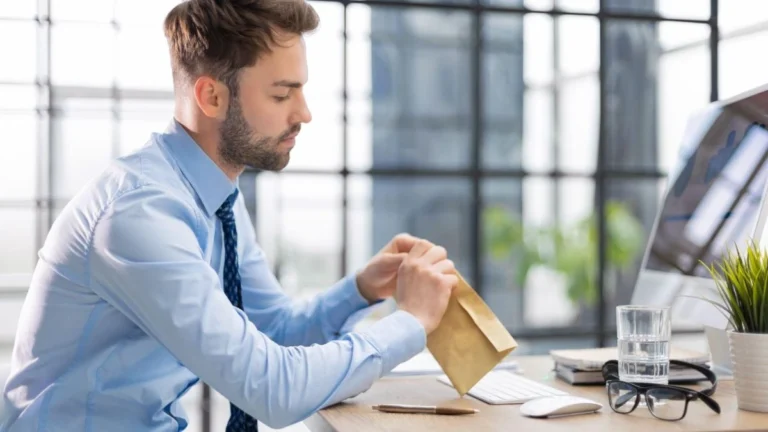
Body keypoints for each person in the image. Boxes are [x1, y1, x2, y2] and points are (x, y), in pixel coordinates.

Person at [0, 0, 458, 430]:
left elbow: (276, 331)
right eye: (283, 95)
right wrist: (412, 321)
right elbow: (272, 389)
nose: (305, 113)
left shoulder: (218, 198)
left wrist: (360, 290)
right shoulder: (140, 216)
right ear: (211, 97)